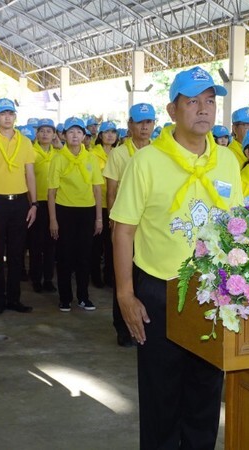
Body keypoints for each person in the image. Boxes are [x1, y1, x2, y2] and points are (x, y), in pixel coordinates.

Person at [111, 66, 243, 449]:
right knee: (161, 400)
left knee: (205, 395)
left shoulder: (228, 162)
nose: (203, 109)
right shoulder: (147, 161)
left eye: (209, 101)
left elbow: (237, 226)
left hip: (212, 294)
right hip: (160, 293)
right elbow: (124, 230)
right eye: (192, 102)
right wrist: (124, 295)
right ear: (172, 110)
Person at [103, 103, 156, 347]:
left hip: (150, 227)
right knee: (123, 277)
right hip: (126, 225)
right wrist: (115, 224)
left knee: (144, 276)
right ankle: (123, 329)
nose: (145, 127)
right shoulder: (119, 154)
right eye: (140, 122)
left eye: (149, 122)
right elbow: (111, 192)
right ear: (130, 125)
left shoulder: (158, 152)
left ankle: (144, 324)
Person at [0, 98, 37, 315]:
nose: (7, 117)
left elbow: (29, 173)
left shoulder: (25, 142)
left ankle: (14, 299)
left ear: (15, 116)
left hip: (20, 202)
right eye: (3, 113)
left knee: (16, 253)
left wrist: (34, 204)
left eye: (10, 113)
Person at [48, 117, 103, 312]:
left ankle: (83, 297)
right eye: (71, 132)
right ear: (64, 135)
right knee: (65, 256)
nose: (75, 136)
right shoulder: (58, 158)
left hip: (87, 212)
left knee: (84, 256)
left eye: (79, 132)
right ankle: (65, 298)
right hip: (64, 211)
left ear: (84, 136)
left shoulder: (90, 158)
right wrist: (53, 220)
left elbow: (97, 189)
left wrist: (98, 218)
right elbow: (52, 192)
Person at [28, 118, 58, 293]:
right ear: (36, 134)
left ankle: (48, 278)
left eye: (49, 130)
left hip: (54, 203)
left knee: (51, 244)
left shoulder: (59, 154)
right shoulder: (31, 152)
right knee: (36, 244)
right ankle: (36, 278)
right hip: (36, 203)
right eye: (42, 130)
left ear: (54, 134)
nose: (45, 134)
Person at [90, 121, 118, 288]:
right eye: (106, 132)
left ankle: (110, 275)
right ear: (100, 136)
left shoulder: (119, 153)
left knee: (112, 242)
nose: (110, 135)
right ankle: (95, 276)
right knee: (96, 243)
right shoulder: (92, 154)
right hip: (98, 204)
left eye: (113, 132)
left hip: (115, 203)